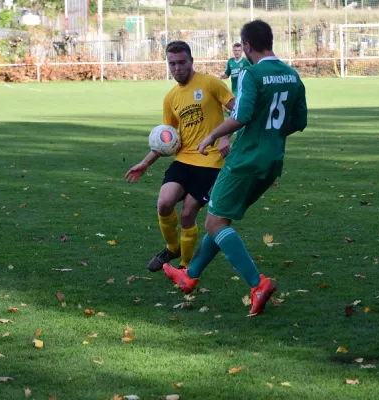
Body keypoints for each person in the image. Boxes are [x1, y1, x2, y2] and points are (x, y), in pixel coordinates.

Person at [162, 20, 308, 316]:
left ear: (248, 46)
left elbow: (239, 116)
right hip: (272, 162)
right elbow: (299, 122)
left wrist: (214, 135)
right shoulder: (292, 76)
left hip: (244, 160)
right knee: (220, 218)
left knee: (215, 223)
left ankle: (258, 284)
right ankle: (189, 276)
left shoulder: (252, 74)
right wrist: (269, 135)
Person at [125, 40, 235, 273]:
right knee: (163, 203)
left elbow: (238, 110)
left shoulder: (210, 83)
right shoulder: (171, 98)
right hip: (184, 159)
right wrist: (145, 163)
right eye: (172, 63)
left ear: (191, 61)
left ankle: (185, 268)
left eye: (182, 62)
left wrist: (225, 136)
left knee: (187, 214)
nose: (177, 68)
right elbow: (166, 139)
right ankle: (172, 248)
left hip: (211, 161)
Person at [219, 43, 251, 135]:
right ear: (233, 51)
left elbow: (250, 73)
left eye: (239, 50)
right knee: (235, 109)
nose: (237, 52)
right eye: (235, 50)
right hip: (233, 90)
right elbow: (227, 74)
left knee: (238, 108)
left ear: (242, 51)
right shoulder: (230, 62)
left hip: (243, 89)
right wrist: (220, 78)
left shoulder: (245, 62)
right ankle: (238, 126)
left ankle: (238, 127)